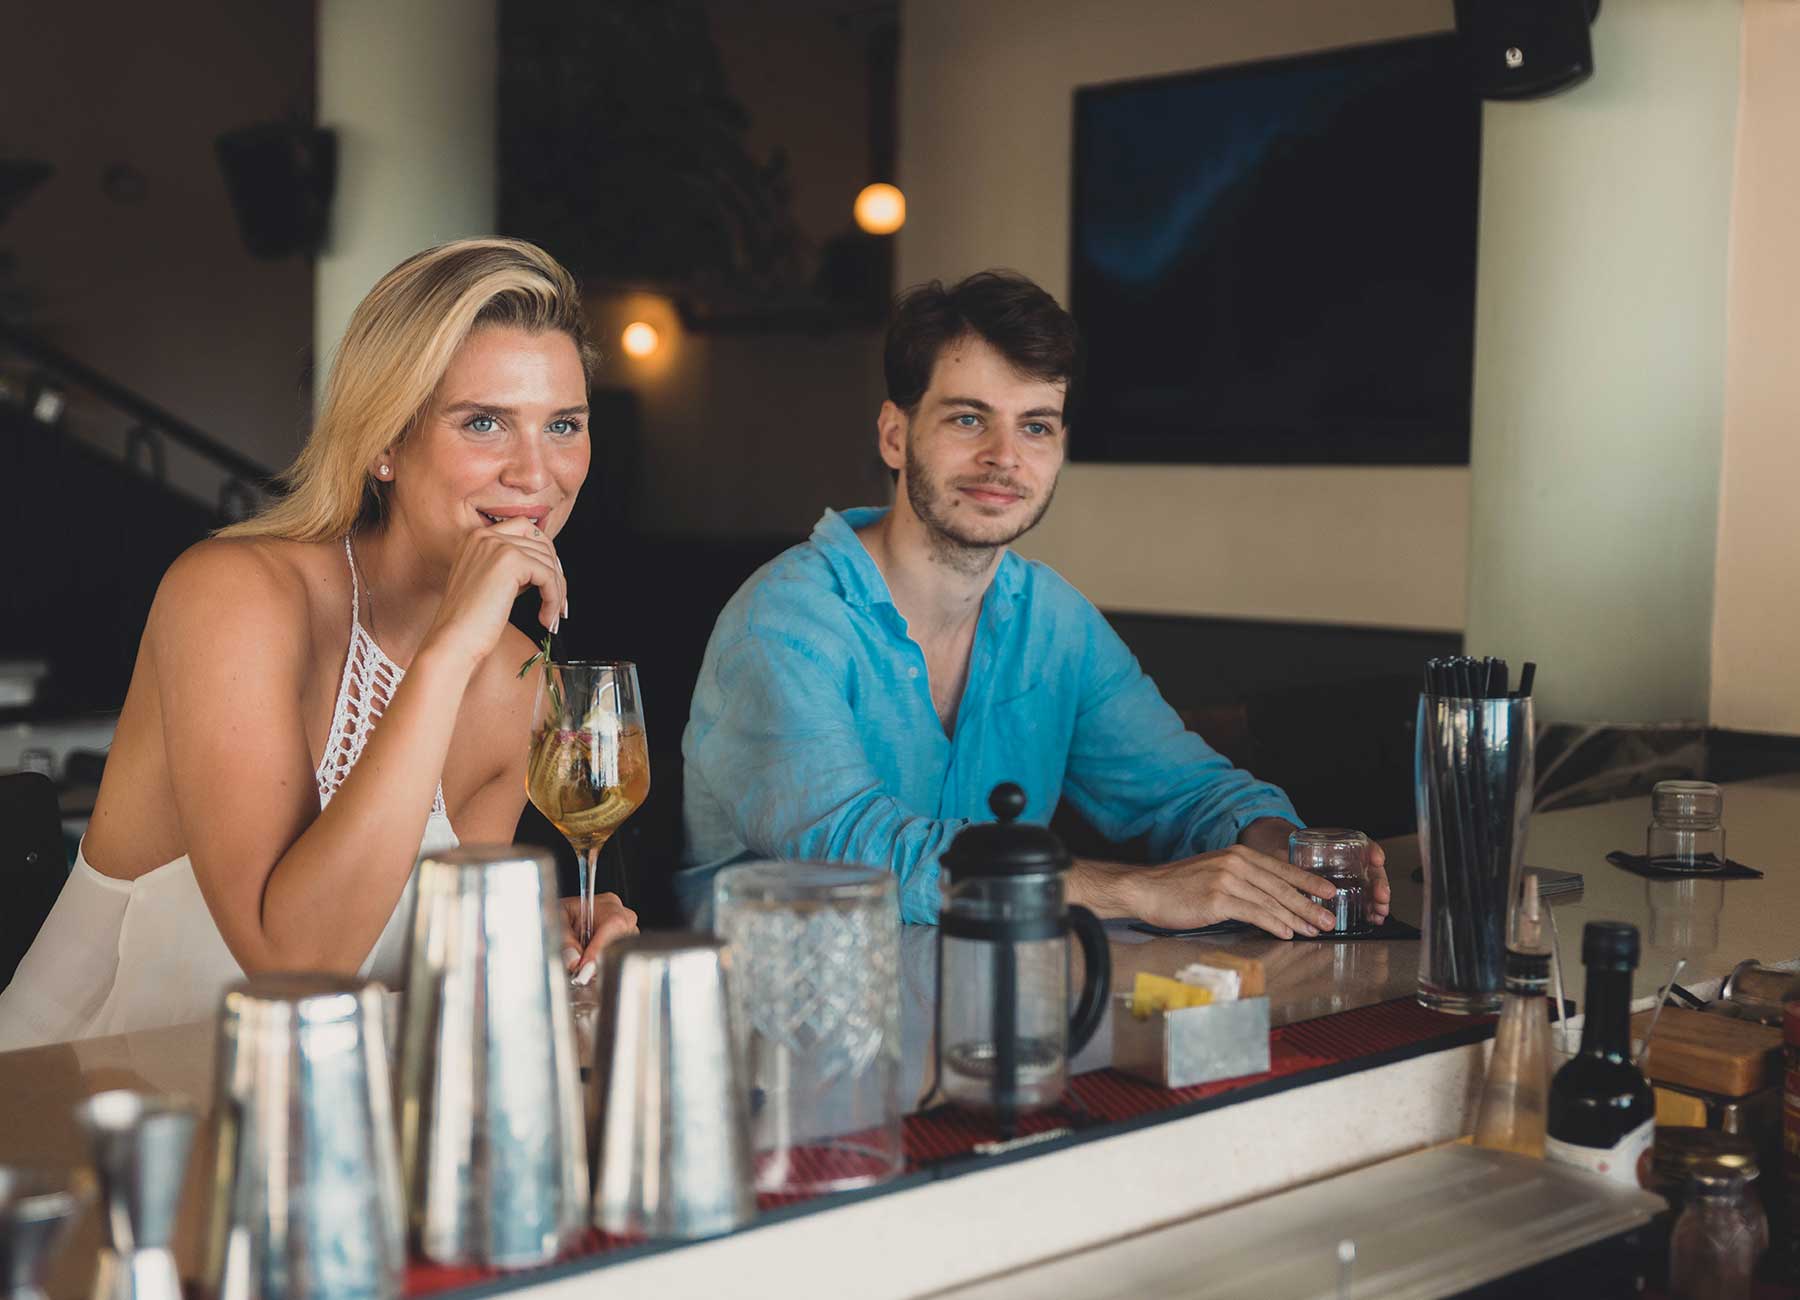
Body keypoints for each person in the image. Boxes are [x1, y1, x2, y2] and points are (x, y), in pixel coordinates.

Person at [0, 238, 636, 1049]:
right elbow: (292, 967)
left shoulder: (518, 682)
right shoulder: (232, 595)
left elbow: (427, 967)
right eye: (484, 422)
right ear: (383, 444)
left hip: (312, 1102)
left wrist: (529, 936)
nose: (536, 472)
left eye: (564, 425)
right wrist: (448, 652)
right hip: (75, 1100)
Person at [679, 270, 1389, 931]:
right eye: (968, 419)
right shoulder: (784, 622)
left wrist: (1288, 854)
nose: (1005, 456)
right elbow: (855, 855)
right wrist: (1133, 889)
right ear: (895, 436)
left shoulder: (1054, 621)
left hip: (987, 997)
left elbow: (1185, 792)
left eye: (1036, 425)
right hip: (776, 1005)